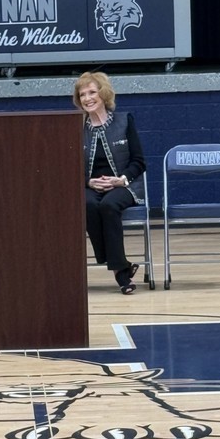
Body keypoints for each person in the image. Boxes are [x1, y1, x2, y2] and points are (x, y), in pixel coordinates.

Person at [73, 71, 145, 295]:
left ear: (103, 94)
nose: (87, 98)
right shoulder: (75, 126)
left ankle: (120, 274)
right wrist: (89, 181)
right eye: (82, 94)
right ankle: (120, 265)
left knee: (109, 205)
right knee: (88, 204)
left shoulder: (125, 120)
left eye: (92, 92)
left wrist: (121, 180)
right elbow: (69, 166)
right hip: (90, 186)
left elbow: (139, 161)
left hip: (123, 185)